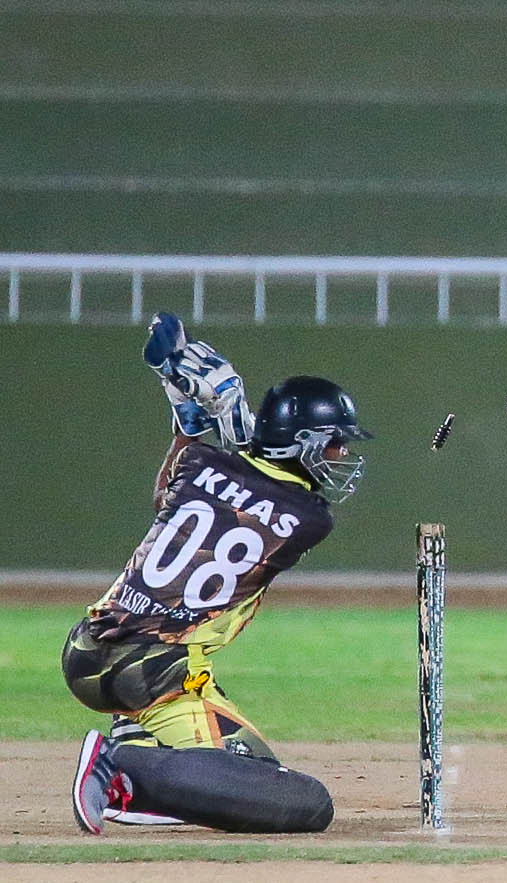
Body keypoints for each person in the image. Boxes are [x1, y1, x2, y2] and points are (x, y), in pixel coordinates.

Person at [64, 312, 373, 835]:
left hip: (90, 645)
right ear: (300, 442)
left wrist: (192, 421)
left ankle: (135, 760)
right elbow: (260, 483)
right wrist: (227, 403)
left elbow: (170, 494)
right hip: (158, 672)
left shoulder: (198, 464)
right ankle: (121, 762)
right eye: (333, 443)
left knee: (243, 772)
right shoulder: (310, 518)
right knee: (301, 802)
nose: (341, 455)